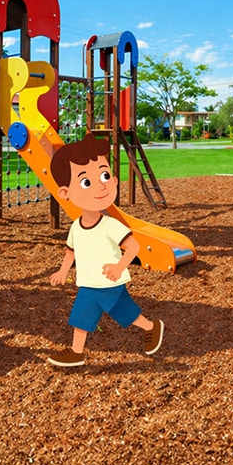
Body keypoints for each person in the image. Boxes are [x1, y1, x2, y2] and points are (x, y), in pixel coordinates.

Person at [47, 136, 164, 367]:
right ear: (65, 193)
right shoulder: (76, 227)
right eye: (86, 183)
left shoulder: (110, 225)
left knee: (83, 315)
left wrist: (119, 267)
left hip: (106, 281)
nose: (102, 185)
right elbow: (71, 251)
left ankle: (76, 353)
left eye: (105, 175)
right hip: (93, 281)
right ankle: (151, 327)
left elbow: (134, 246)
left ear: (114, 181)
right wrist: (62, 271)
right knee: (124, 313)